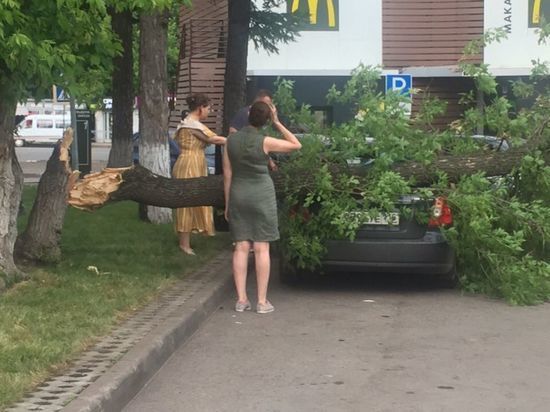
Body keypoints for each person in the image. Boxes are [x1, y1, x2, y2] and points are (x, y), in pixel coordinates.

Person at [223, 101, 302, 314]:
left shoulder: (230, 141)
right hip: (261, 195)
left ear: (248, 115)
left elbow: (228, 175)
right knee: (261, 247)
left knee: (240, 247)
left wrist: (228, 204)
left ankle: (241, 299)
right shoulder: (265, 141)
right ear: (266, 120)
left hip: (239, 194)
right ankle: (262, 301)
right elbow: (296, 144)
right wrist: (277, 123)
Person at [173, 93, 226, 255]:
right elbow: (214, 139)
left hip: (190, 161)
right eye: (208, 108)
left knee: (190, 201)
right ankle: (184, 244)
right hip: (191, 163)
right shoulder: (192, 125)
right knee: (187, 202)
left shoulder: (187, 123)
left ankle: (186, 240)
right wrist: (237, 140)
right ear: (200, 108)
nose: (209, 111)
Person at [229, 89, 278, 171]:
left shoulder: (266, 117)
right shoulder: (243, 113)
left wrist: (270, 162)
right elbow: (232, 131)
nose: (268, 107)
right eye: (267, 104)